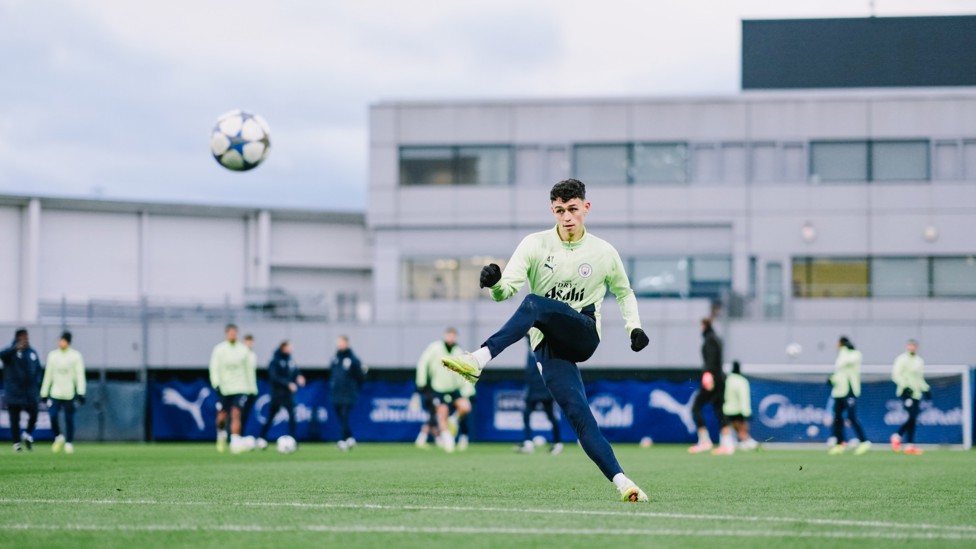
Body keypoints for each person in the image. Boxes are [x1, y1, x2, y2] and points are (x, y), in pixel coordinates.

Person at [440, 179, 651, 502]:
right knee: (579, 415)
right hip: (547, 347)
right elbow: (506, 291)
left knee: (534, 304)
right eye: (559, 211)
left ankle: (479, 358)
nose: (567, 217)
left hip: (582, 334)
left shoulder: (603, 252)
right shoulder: (534, 245)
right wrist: (495, 283)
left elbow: (625, 293)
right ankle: (625, 483)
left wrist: (633, 327)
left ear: (586, 208)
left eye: (573, 210)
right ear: (552, 210)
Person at [416, 327, 472, 453]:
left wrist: (468, 391)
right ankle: (448, 440)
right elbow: (423, 363)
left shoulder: (458, 351)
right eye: (449, 335)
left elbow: (465, 371)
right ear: (444, 335)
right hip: (438, 389)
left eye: (453, 335)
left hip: (453, 389)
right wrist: (421, 382)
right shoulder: (435, 348)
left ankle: (453, 420)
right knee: (442, 413)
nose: (451, 338)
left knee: (466, 407)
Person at [688, 318, 735, 455]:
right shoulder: (717, 338)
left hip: (712, 378)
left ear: (703, 325)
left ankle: (704, 441)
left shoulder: (709, 340)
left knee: (696, 407)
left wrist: (707, 374)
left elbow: (711, 359)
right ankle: (727, 444)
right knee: (719, 409)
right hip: (720, 378)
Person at [209, 324, 253, 454]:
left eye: (235, 333)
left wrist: (251, 387)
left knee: (235, 413)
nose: (233, 335)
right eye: (230, 333)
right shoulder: (219, 349)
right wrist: (216, 382)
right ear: (226, 334)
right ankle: (221, 434)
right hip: (224, 388)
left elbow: (249, 370)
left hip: (240, 387)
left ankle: (235, 442)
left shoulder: (243, 350)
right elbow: (214, 367)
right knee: (222, 417)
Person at [40, 331, 85, 454]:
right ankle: (59, 436)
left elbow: (79, 375)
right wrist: (44, 392)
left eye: (62, 340)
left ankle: (69, 442)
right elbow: (48, 375)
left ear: (68, 341)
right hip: (55, 393)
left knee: (69, 419)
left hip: (69, 393)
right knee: (52, 416)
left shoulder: (75, 356)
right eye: (59, 340)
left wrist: (81, 392)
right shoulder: (53, 355)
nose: (60, 342)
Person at [516, 336, 562, 455]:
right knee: (527, 414)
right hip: (533, 388)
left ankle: (557, 443)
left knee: (551, 416)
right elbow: (525, 333)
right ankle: (528, 442)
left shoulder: (544, 346)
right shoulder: (530, 345)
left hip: (544, 387)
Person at [1, 328, 43, 452]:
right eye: (24, 337)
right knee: (14, 419)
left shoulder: (32, 352)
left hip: (29, 393)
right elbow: (2, 355)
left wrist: (37, 383)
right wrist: (14, 348)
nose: (26, 340)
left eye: (27, 337)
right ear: (18, 338)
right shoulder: (10, 352)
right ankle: (16, 443)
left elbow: (38, 369)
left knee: (34, 413)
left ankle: (27, 434)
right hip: (13, 392)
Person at [257, 340, 305, 449]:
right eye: (289, 347)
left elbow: (296, 371)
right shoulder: (275, 361)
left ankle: (293, 439)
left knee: (292, 416)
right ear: (283, 348)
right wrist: (288, 384)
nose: (291, 349)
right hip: (278, 394)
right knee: (271, 416)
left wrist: (299, 376)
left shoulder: (290, 360)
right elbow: (274, 377)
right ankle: (261, 437)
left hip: (288, 395)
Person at [828, 336, 870, 455]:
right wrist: (832, 380)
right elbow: (840, 372)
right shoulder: (841, 355)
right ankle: (839, 443)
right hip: (838, 391)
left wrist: (846, 349)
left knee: (851, 417)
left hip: (849, 391)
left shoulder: (854, 354)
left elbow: (847, 362)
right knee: (837, 418)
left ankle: (864, 442)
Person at [890, 339, 930, 455]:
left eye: (914, 346)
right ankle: (897, 436)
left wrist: (926, 389)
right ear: (907, 347)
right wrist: (905, 386)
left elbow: (919, 378)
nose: (912, 348)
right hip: (906, 392)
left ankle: (909, 445)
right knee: (912, 416)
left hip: (916, 394)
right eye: (910, 346)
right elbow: (896, 375)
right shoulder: (901, 359)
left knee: (914, 419)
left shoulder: (919, 361)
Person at [329, 335, 365, 451]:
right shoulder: (335, 358)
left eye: (342, 342)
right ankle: (350, 438)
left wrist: (354, 388)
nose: (339, 345)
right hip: (336, 393)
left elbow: (360, 376)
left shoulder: (353, 359)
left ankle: (342, 440)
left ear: (347, 343)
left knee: (344, 416)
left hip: (348, 393)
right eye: (338, 342)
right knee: (340, 416)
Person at [723, 360, 758, 451]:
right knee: (742, 428)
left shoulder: (728, 379)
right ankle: (746, 442)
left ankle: (730, 444)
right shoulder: (742, 380)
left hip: (727, 409)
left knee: (729, 428)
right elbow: (744, 397)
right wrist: (746, 412)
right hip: (738, 410)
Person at [240, 334, 259, 439]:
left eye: (251, 341)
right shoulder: (239, 354)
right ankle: (234, 436)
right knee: (238, 414)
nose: (249, 344)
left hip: (251, 389)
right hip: (241, 389)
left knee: (245, 415)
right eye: (247, 341)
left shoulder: (252, 355)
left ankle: (240, 435)